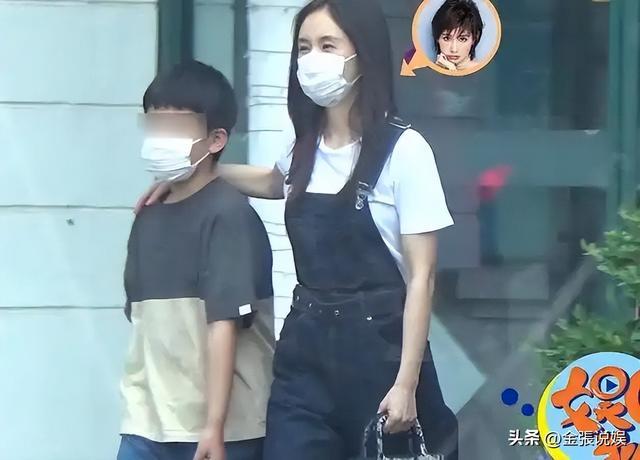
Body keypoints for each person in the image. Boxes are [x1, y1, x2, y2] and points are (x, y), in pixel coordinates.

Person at [138, 1, 459, 459]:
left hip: (380, 352)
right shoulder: (304, 148)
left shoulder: (405, 151)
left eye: (328, 46)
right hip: (305, 352)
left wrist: (406, 383)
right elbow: (273, 182)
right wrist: (196, 173)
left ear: (363, 54)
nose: (312, 59)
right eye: (304, 47)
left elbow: (422, 278)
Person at [119, 60, 274, 460]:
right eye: (154, 125)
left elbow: (224, 323)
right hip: (147, 423)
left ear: (216, 139)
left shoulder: (229, 214)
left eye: (175, 127)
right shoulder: (148, 214)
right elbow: (143, 324)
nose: (160, 138)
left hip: (223, 431)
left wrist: (214, 425)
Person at [432, 0, 484, 72]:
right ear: (437, 38)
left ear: (474, 38)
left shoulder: (483, 72)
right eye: (446, 38)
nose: (454, 49)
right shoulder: (427, 71)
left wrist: (453, 72)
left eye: (462, 39)